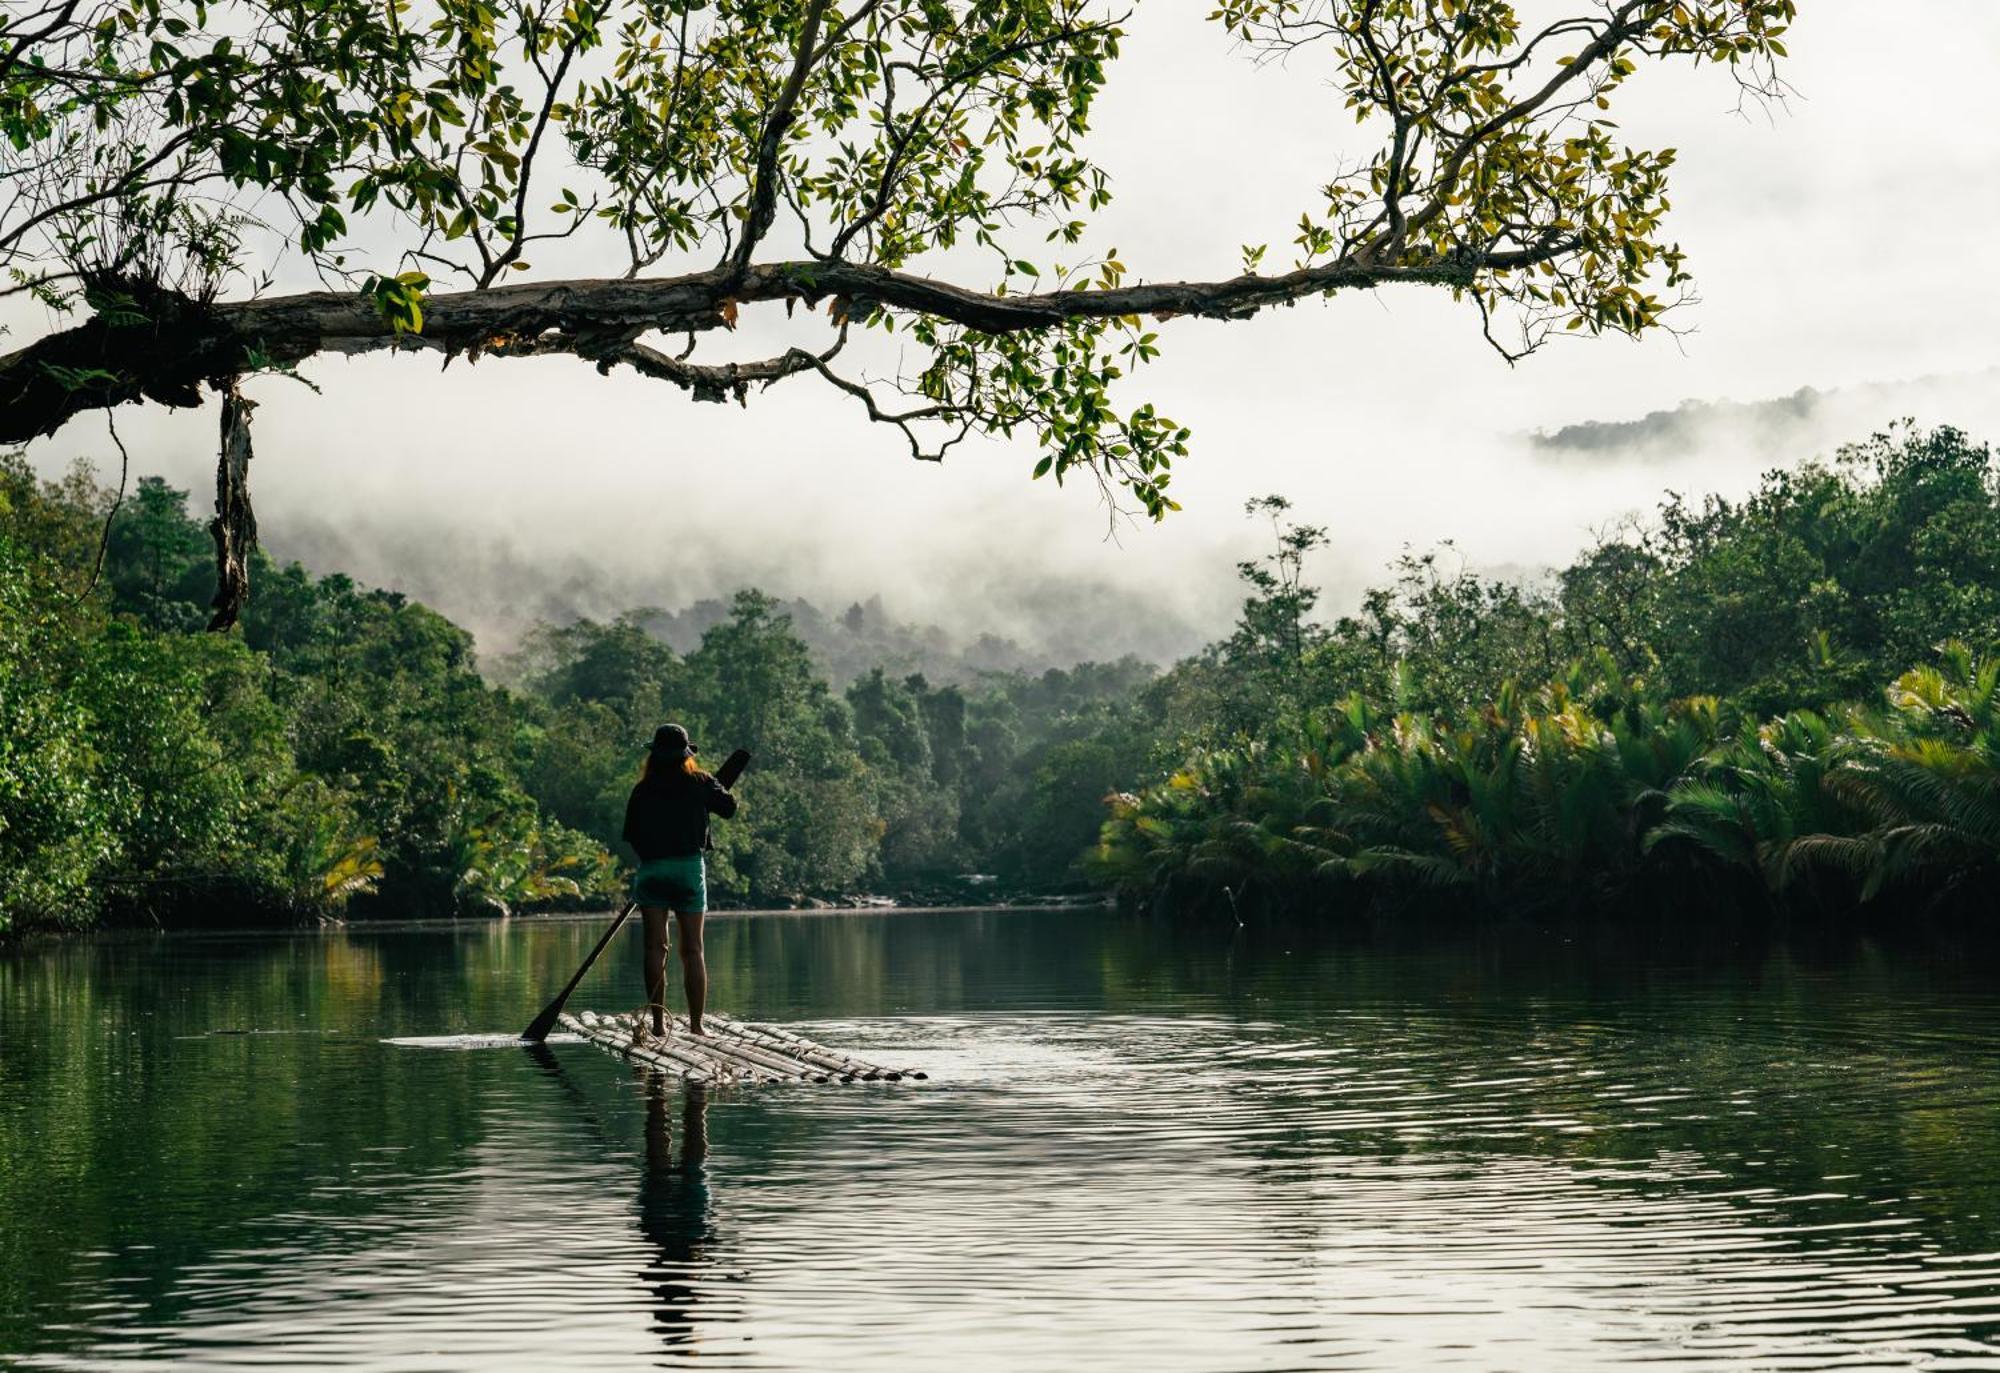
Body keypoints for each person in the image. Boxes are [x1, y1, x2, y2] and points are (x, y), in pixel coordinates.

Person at [621, 723, 738, 1038]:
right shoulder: (699, 781)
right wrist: (713, 785)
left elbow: (631, 835)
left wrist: (653, 859)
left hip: (652, 870)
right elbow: (729, 808)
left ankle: (659, 1024)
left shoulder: (642, 789)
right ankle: (697, 1026)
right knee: (693, 951)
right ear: (686, 754)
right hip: (687, 869)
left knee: (655, 948)